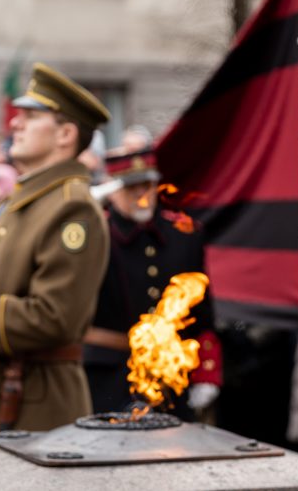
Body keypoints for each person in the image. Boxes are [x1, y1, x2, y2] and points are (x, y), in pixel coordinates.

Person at [0, 63, 111, 439]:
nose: (15, 124)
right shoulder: (30, 198)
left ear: (66, 133)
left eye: (31, 117)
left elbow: (54, 317)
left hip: (37, 402)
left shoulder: (72, 208)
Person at [83, 147, 221, 419]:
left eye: (147, 185)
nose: (141, 195)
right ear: (112, 190)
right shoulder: (96, 236)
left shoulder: (185, 234)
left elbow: (202, 315)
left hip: (171, 373)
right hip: (107, 375)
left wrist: (207, 370)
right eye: (131, 187)